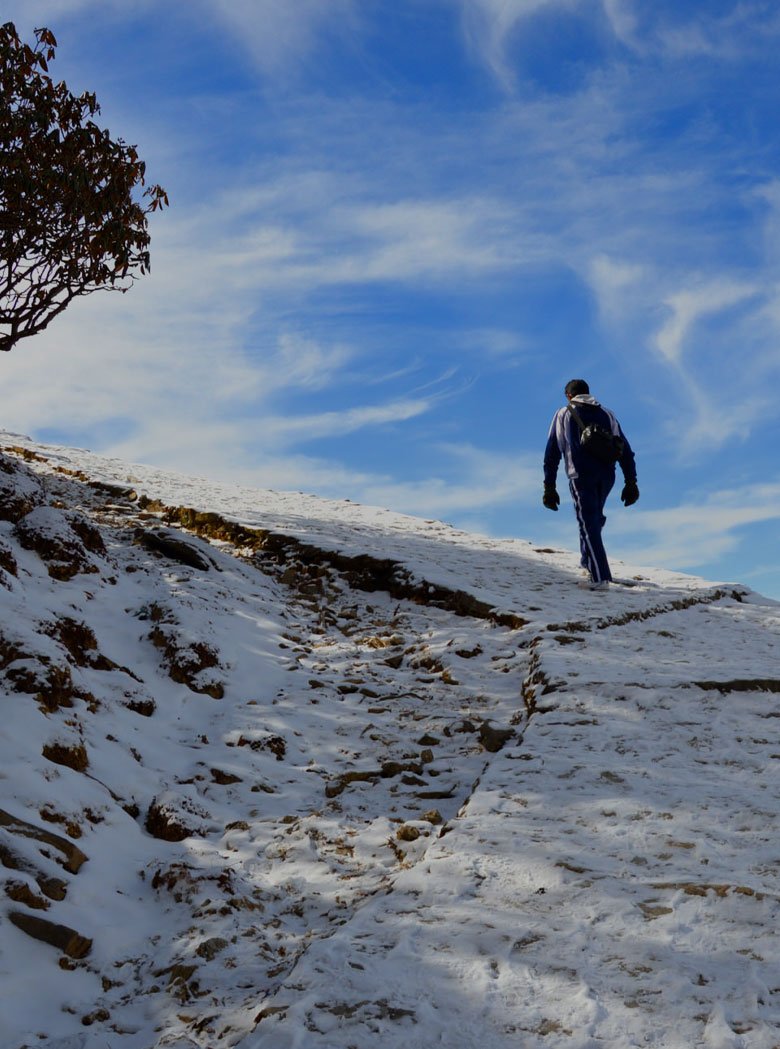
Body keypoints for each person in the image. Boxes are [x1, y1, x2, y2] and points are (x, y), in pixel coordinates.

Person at [543, 379, 638, 590]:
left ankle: (600, 578)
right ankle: (588, 562)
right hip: (607, 476)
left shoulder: (563, 413)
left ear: (569, 395)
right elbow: (625, 449)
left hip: (580, 476)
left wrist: (549, 486)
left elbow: (552, 452)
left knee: (588, 524)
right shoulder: (607, 414)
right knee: (593, 520)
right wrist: (631, 482)